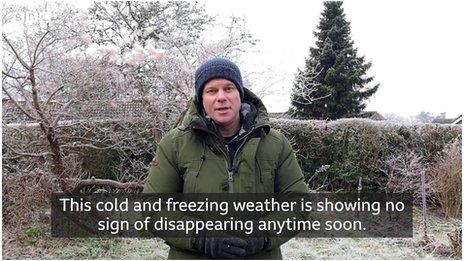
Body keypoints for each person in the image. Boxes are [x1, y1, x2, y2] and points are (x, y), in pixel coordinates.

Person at [143, 57, 309, 259]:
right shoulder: (174, 144)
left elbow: (299, 205)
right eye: (211, 91)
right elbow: (153, 209)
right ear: (201, 99)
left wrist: (264, 234)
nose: (221, 97)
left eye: (229, 88)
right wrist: (198, 236)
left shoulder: (275, 143)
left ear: (241, 94)